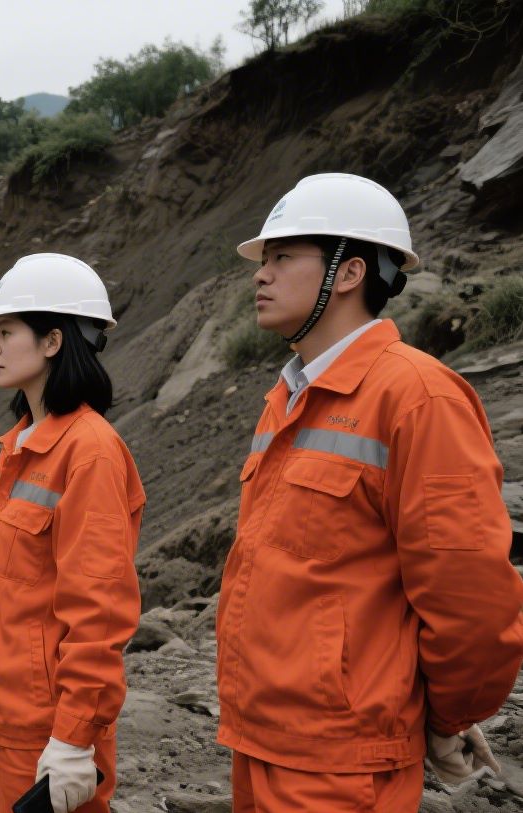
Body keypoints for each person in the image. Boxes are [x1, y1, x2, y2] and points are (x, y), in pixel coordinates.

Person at [218, 173, 523, 810]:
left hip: (342, 759)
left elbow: (468, 592)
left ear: (350, 272)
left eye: (282, 258)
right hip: (260, 738)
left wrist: (446, 712)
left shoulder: (418, 397)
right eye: (263, 260)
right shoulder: (290, 396)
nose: (261, 274)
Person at [0, 253, 144, 813]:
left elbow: (99, 611)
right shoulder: (21, 445)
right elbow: (8, 591)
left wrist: (73, 738)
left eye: (6, 331)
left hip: (43, 733)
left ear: (53, 342)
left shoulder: (90, 453)